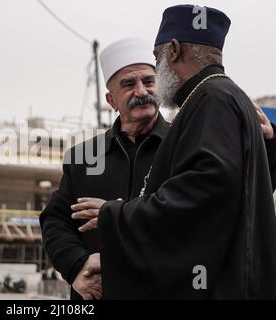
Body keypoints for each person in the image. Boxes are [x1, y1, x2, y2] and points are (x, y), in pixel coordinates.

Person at [40, 36, 276, 299]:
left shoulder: (191, 143)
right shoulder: (84, 156)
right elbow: (55, 220)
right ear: (111, 100)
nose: (141, 92)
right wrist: (77, 267)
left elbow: (232, 195)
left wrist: (266, 146)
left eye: (149, 82)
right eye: (128, 84)